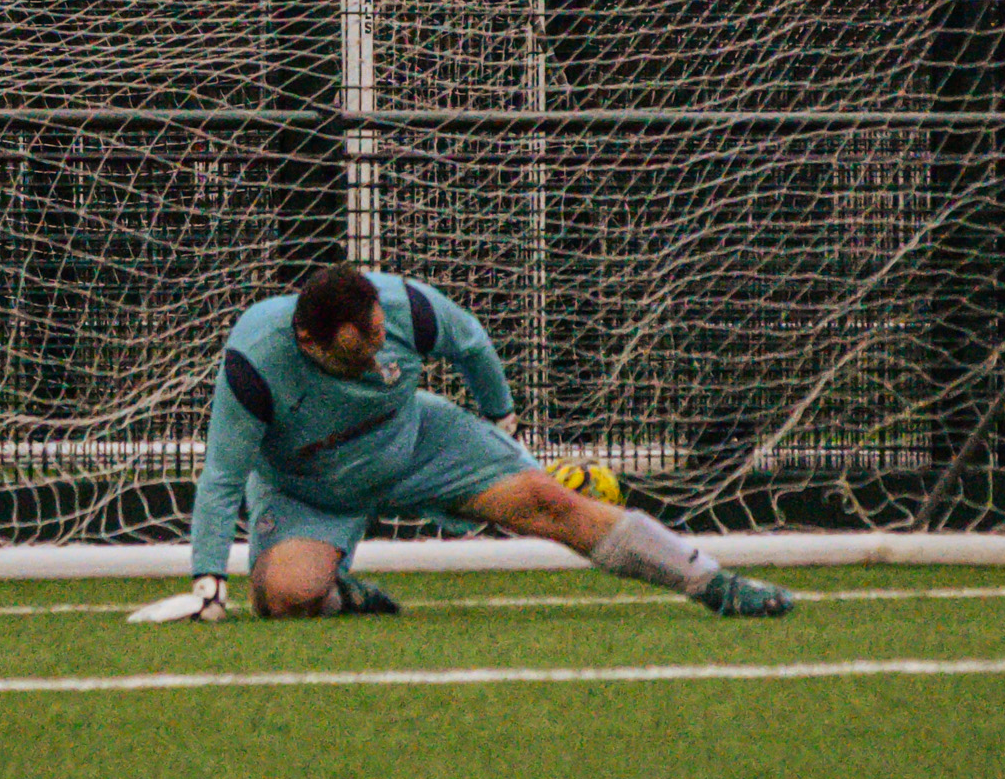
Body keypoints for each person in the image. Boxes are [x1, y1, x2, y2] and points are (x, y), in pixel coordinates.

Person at [162, 262, 794, 622]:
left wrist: (504, 426)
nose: (379, 352)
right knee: (286, 600)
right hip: (309, 488)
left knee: (552, 502)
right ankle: (343, 589)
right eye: (361, 351)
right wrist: (207, 582)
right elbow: (221, 477)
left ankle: (713, 584)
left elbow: (472, 346)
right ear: (310, 343)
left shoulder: (404, 307)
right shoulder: (254, 359)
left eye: (382, 336)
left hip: (418, 443)